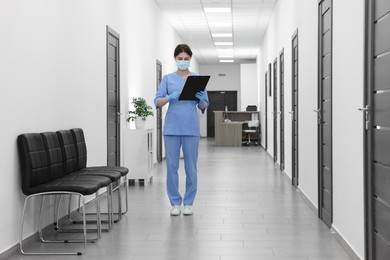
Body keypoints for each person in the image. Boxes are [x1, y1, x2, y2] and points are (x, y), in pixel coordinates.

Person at [154, 44, 209, 216]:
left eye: (186, 59)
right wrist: (168, 98)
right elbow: (157, 102)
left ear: (190, 59)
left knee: (191, 167)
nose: (183, 61)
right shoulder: (168, 79)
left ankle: (189, 203)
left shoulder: (197, 79)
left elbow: (204, 105)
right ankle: (175, 203)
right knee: (171, 167)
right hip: (171, 128)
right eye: (180, 59)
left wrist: (200, 100)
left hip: (191, 128)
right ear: (175, 59)